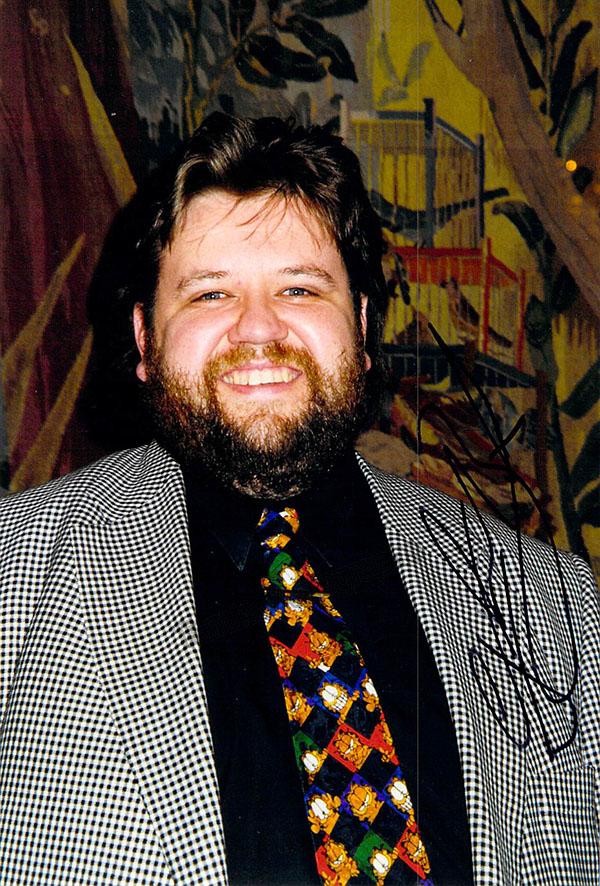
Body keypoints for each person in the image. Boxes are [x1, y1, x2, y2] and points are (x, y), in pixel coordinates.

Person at [0, 114, 598, 886]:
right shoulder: (14, 572)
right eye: (211, 292)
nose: (258, 328)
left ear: (361, 326)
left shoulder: (552, 600)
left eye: (299, 288)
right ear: (145, 341)